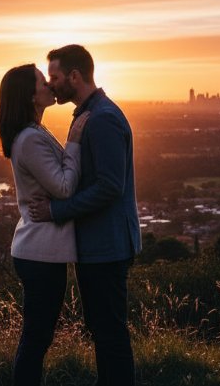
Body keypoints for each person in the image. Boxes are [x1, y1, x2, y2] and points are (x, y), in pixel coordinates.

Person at [29, 44, 141, 386]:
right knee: (103, 330)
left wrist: (56, 211)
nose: (51, 85)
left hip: (107, 245)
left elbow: (110, 186)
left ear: (75, 76)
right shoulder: (88, 116)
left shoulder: (102, 118)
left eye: (55, 77)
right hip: (98, 244)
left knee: (110, 332)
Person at [0, 63, 90, 386]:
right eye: (41, 82)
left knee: (38, 337)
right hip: (39, 253)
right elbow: (63, 187)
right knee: (36, 339)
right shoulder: (30, 140)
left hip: (41, 253)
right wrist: (74, 141)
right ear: (29, 96)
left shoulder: (33, 133)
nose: (49, 85)